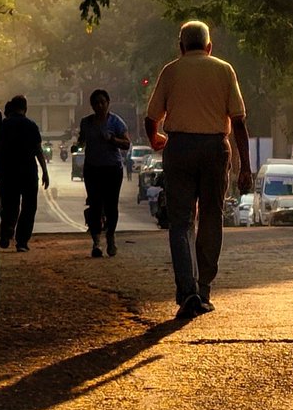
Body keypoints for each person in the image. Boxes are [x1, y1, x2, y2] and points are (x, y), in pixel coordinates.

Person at [144, 19, 252, 320]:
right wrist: (246, 167)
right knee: (211, 217)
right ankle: (204, 288)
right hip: (215, 150)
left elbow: (151, 117)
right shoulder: (224, 69)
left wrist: (156, 141)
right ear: (209, 46)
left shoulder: (171, 70)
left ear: (181, 46)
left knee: (180, 223)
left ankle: (186, 290)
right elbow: (239, 122)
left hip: (178, 148)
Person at [77, 89, 130, 258]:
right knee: (95, 205)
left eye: (103, 102)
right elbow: (81, 141)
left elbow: (127, 144)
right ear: (92, 105)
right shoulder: (86, 123)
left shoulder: (116, 122)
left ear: (108, 103)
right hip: (92, 168)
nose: (100, 106)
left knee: (111, 205)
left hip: (112, 169)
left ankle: (110, 235)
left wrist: (113, 140)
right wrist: (77, 145)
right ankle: (96, 242)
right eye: (96, 103)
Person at [0, 95, 49, 252]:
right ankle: (22, 241)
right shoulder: (31, 125)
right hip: (28, 172)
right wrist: (45, 172)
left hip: (8, 172)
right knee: (29, 206)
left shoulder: (4, 125)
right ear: (25, 108)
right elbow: (38, 151)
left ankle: (6, 232)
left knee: (9, 204)